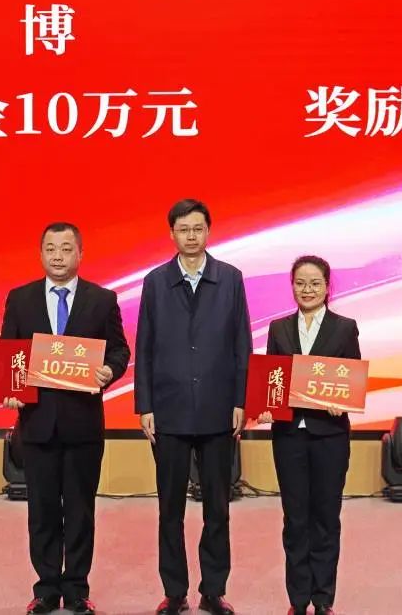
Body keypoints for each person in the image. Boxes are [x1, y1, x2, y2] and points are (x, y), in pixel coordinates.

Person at [0, 222, 131, 615]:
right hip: (37, 424)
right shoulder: (20, 299)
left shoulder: (102, 300)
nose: (58, 257)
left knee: (79, 511)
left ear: (80, 254)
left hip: (82, 425)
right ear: (41, 253)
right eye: (51, 249)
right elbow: (10, 352)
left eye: (66, 249)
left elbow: (120, 351)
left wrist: (109, 371)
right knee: (41, 511)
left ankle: (76, 589)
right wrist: (10, 387)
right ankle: (45, 589)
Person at [135, 199, 252, 615]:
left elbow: (242, 344)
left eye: (198, 228)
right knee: (170, 509)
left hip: (219, 410)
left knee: (217, 508)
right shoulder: (155, 282)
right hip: (169, 410)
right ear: (172, 234)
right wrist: (145, 404)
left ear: (208, 232)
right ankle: (175, 591)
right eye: (183, 229)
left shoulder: (230, 279)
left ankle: (213, 590)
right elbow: (144, 347)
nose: (191, 236)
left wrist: (241, 400)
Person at [258, 256, 360, 615]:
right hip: (289, 436)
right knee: (295, 518)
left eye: (315, 283)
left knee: (326, 517)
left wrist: (340, 402)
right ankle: (298, 600)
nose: (307, 290)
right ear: (292, 286)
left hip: (330, 436)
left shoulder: (344, 328)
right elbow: (272, 380)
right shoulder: (278, 328)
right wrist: (266, 406)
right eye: (300, 283)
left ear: (327, 287)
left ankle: (323, 599)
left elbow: (350, 380)